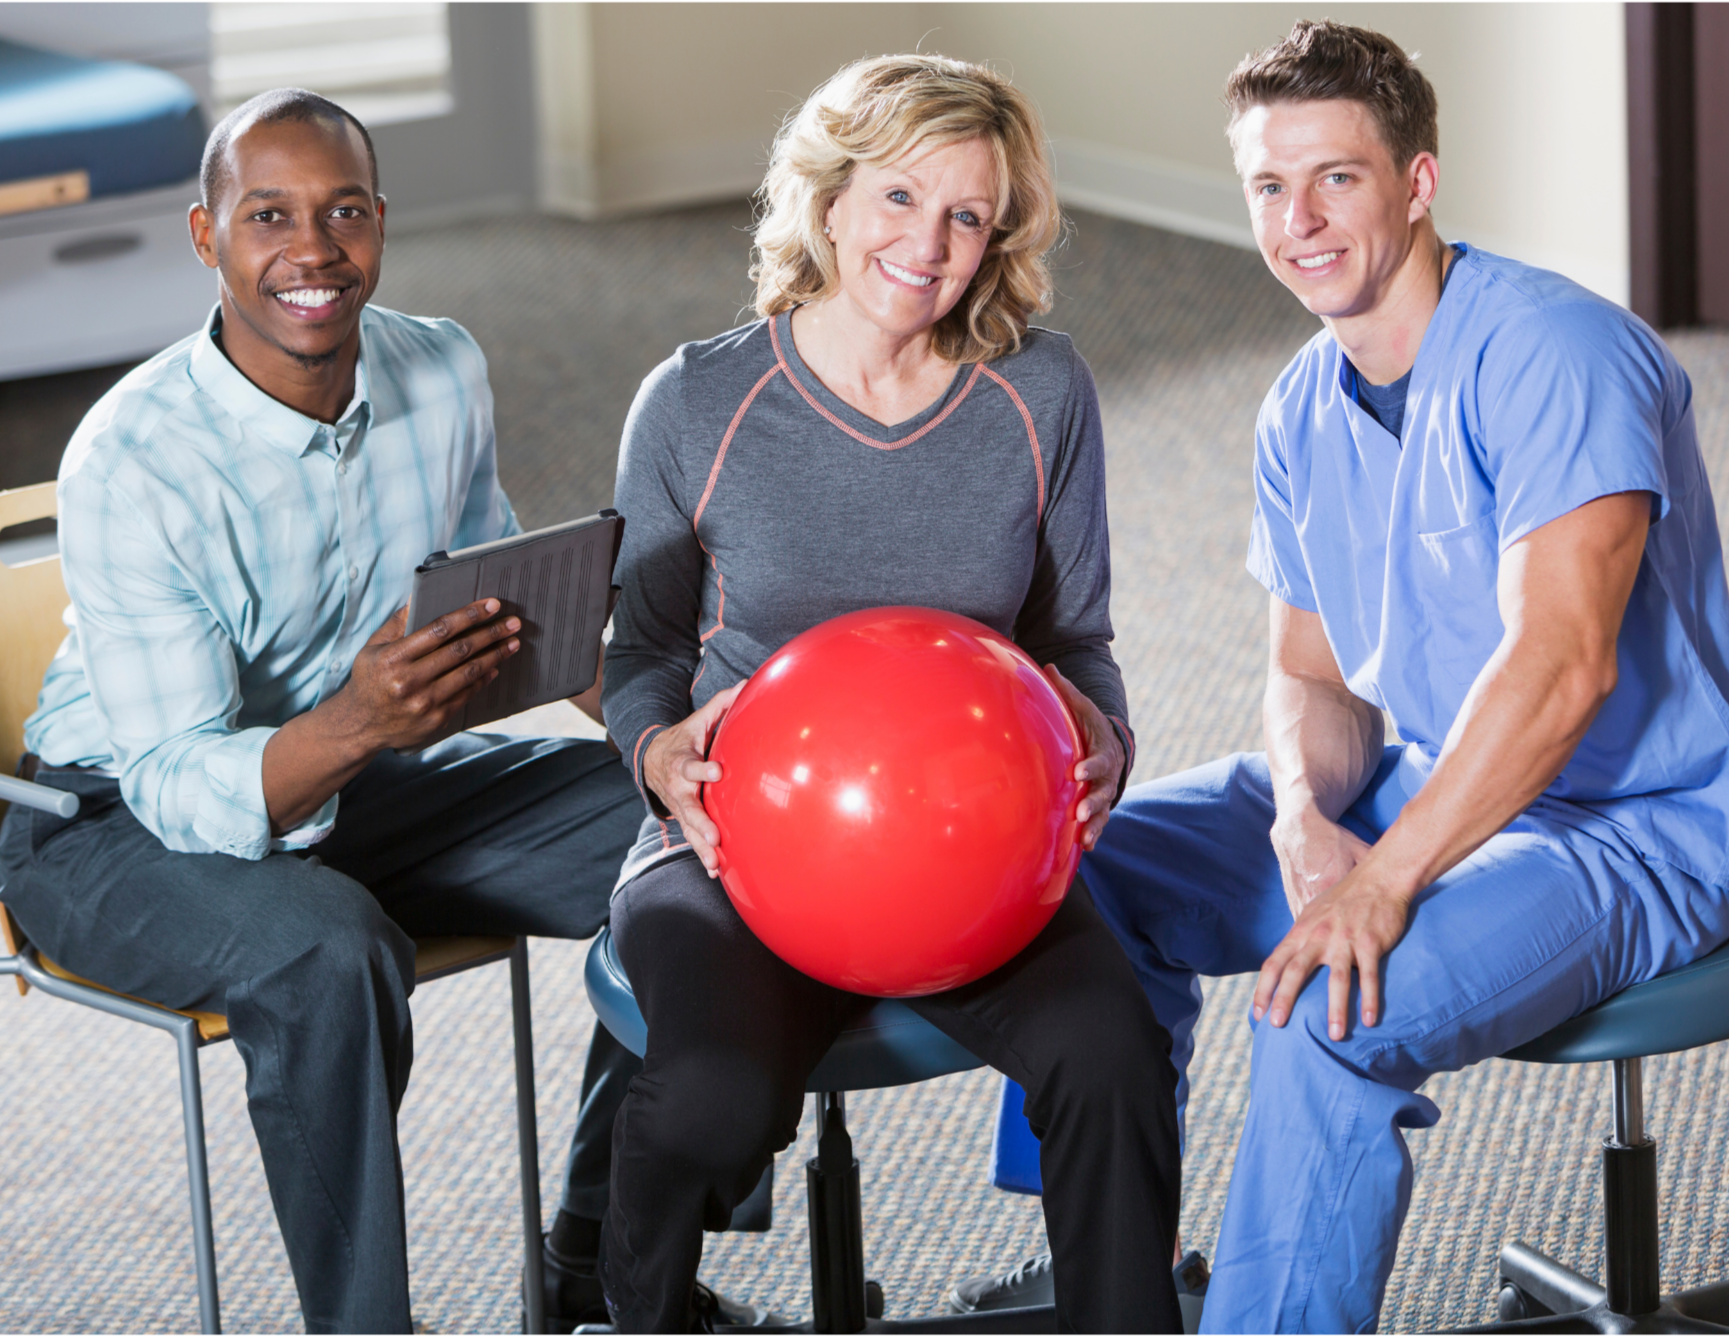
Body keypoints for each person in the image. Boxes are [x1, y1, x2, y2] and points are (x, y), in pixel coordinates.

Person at [980, 20, 1729, 1334]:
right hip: (1429, 779)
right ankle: (1106, 1277)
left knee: (1326, 1011)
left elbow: (1561, 669)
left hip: (1633, 828)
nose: (1300, 220)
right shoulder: (1298, 407)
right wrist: (1301, 820)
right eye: (1270, 186)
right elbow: (1314, 678)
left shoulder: (1554, 354)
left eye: (1336, 177)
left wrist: (1380, 880)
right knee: (1072, 865)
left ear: (1417, 182)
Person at [0, 88, 659, 1335]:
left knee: (685, 838)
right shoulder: (133, 458)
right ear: (207, 238)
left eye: (343, 210)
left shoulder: (440, 362)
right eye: (270, 217)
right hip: (106, 822)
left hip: (357, 778)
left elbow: (501, 603)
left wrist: (671, 735)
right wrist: (360, 724)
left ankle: (594, 1259)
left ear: (381, 223)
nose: (313, 250)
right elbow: (177, 780)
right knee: (324, 947)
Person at [597, 53, 1184, 1334]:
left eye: (969, 215)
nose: (930, 244)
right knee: (710, 1100)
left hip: (977, 848)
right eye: (901, 197)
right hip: (735, 849)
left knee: (1116, 1057)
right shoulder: (699, 398)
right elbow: (636, 655)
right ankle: (628, 1308)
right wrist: (658, 760)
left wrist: (1104, 746)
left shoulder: (1040, 392)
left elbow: (1074, 642)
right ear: (827, 197)